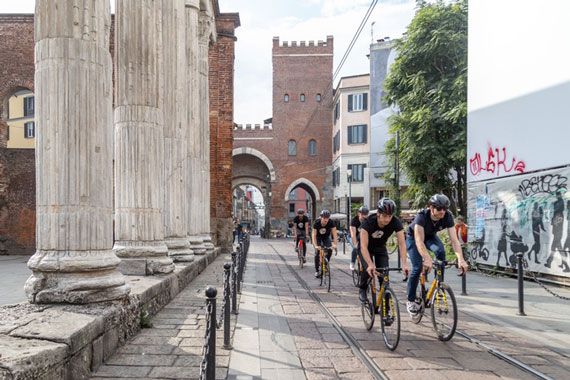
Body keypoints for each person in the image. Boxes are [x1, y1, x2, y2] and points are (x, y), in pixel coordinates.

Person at [405, 194, 468, 317]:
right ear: (431, 207)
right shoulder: (421, 217)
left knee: (441, 252)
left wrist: (461, 259)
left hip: (430, 237)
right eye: (439, 208)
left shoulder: (448, 216)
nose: (442, 211)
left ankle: (439, 285)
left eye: (445, 208)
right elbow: (419, 241)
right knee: (417, 267)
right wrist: (427, 258)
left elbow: (455, 240)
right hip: (413, 238)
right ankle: (411, 300)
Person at [359, 198, 409, 303]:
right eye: (384, 216)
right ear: (378, 214)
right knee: (367, 269)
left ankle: (386, 309)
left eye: (389, 216)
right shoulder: (367, 223)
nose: (387, 219)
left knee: (384, 276)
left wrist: (404, 264)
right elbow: (363, 246)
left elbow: (402, 244)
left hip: (380, 247)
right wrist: (370, 264)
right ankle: (362, 288)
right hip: (366, 248)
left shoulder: (395, 222)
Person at [312, 209, 338, 278]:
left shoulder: (331, 222)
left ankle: (326, 263)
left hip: (326, 237)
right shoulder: (316, 222)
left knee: (329, 249)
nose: (326, 220)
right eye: (324, 218)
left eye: (327, 218)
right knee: (317, 252)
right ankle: (317, 270)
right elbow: (314, 235)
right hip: (318, 237)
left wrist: (335, 244)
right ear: (321, 217)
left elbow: (335, 234)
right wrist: (315, 246)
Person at [349, 206, 369, 271]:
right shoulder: (354, 221)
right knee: (356, 248)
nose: (364, 218)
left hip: (362, 237)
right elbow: (353, 234)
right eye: (362, 215)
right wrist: (355, 244)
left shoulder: (367, 220)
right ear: (359, 214)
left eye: (365, 215)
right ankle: (352, 262)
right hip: (354, 237)